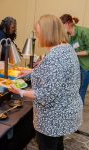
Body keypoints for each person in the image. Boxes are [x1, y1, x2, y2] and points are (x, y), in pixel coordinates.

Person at [9, 15, 83, 150]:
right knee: (57, 145)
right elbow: (56, 75)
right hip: (65, 111)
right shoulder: (66, 47)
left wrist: (19, 91)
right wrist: (31, 72)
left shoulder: (56, 57)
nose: (38, 37)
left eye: (38, 33)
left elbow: (45, 94)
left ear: (48, 33)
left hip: (53, 118)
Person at [60, 14, 89, 104]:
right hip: (76, 64)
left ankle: (78, 112)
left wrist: (75, 53)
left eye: (61, 25)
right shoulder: (68, 35)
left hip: (86, 66)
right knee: (74, 88)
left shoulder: (84, 32)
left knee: (82, 90)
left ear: (68, 24)